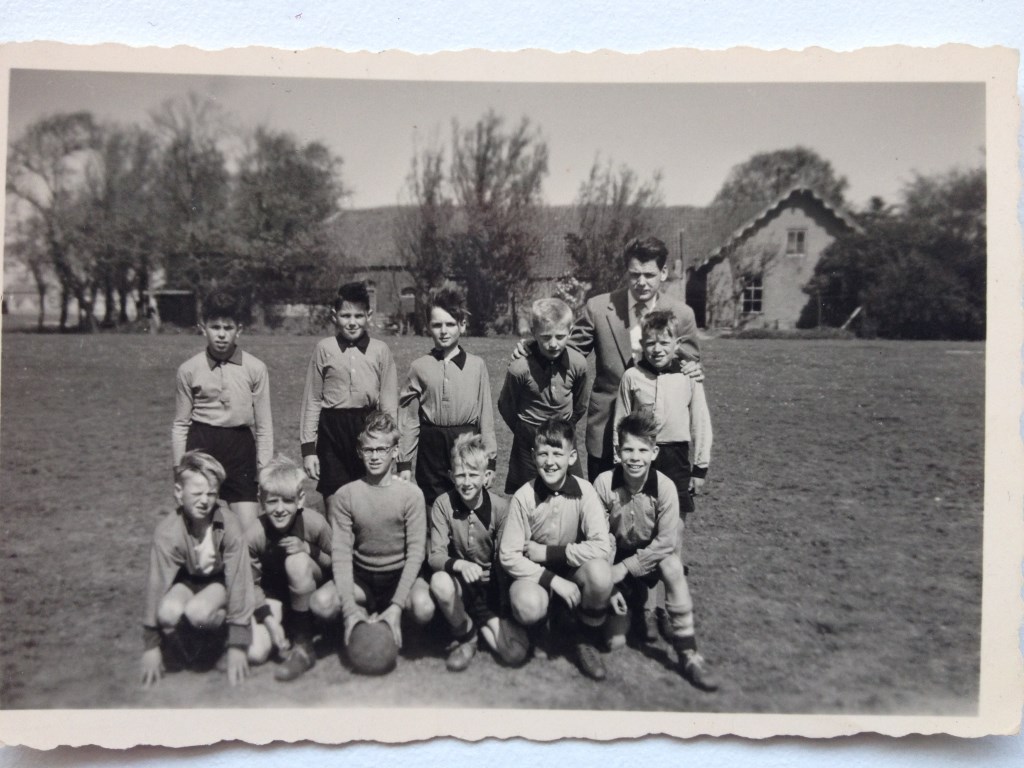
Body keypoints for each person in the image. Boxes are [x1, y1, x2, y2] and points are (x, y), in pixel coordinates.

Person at [594, 413, 719, 692]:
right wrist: (609, 584)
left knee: (673, 567)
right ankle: (629, 607)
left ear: (654, 453)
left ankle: (688, 651)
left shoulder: (666, 487)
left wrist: (626, 568)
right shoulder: (603, 483)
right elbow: (598, 539)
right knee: (615, 642)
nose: (635, 458)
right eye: (628, 450)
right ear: (618, 451)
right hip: (614, 559)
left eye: (642, 450)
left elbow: (665, 543)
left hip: (650, 558)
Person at [563, 236, 702, 481]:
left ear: (663, 272)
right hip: (606, 430)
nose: (641, 282)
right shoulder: (598, 308)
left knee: (658, 501)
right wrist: (531, 349)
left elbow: (690, 364)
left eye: (649, 275)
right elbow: (567, 354)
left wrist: (694, 368)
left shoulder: (682, 314)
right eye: (634, 274)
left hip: (661, 438)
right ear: (626, 271)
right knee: (604, 499)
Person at [498, 419, 614, 680]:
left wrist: (550, 553)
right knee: (528, 605)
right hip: (536, 578)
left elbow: (601, 546)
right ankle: (542, 626)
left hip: (574, 573)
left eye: (557, 454)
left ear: (571, 457)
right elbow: (508, 555)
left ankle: (585, 638)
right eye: (543, 454)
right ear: (533, 456)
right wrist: (552, 580)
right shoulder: (524, 496)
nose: (549, 462)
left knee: (600, 574)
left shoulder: (585, 491)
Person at [140, 451, 261, 687]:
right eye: (196, 493)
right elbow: (157, 582)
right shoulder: (167, 531)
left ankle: (222, 634)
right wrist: (151, 645)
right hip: (190, 580)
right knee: (167, 613)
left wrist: (238, 642)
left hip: (221, 582)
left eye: (211, 494)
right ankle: (196, 640)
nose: (204, 500)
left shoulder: (229, 524)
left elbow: (238, 579)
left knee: (199, 613)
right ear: (179, 492)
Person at [330, 412, 435, 665]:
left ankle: (401, 624)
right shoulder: (346, 495)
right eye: (368, 450)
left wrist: (397, 605)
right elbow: (341, 554)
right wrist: (349, 609)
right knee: (322, 603)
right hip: (363, 578)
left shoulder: (411, 495)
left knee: (423, 606)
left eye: (381, 449)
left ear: (395, 451)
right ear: (359, 452)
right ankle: (357, 619)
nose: (375, 456)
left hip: (399, 575)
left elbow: (416, 553)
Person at [172, 289, 272, 531]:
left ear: (239, 329)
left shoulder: (256, 368)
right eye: (215, 327)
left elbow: (264, 426)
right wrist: (179, 468)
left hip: (240, 448)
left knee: (249, 531)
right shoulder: (188, 369)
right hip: (202, 445)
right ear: (203, 327)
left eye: (228, 328)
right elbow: (180, 424)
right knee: (201, 529)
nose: (221, 334)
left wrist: (264, 468)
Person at [427, 433, 529, 671]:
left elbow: (506, 559)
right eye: (460, 475)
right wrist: (461, 565)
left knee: (514, 654)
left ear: (486, 476)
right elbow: (435, 556)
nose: (466, 482)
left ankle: (484, 624)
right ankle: (468, 634)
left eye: (473, 475)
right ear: (451, 476)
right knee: (440, 582)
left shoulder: (501, 508)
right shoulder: (442, 504)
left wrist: (503, 610)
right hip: (460, 584)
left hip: (491, 588)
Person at [398, 288, 497, 508]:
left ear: (462, 325)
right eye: (437, 325)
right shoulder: (419, 367)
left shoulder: (477, 366)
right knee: (432, 507)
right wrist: (404, 463)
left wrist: (490, 460)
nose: (444, 331)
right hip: (431, 449)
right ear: (428, 327)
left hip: (466, 443)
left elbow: (486, 417)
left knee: (466, 505)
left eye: (450, 324)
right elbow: (410, 420)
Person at [300, 282, 398, 504]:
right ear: (334, 316)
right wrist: (308, 449)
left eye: (358, 316)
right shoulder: (324, 348)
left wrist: (391, 442)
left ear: (368, 315)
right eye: (345, 316)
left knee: (369, 499)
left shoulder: (380, 350)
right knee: (335, 499)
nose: (352, 322)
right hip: (331, 431)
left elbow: (389, 403)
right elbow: (312, 400)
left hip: (369, 428)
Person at [248, 455, 340, 682]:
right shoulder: (254, 534)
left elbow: (339, 562)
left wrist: (310, 549)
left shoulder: (314, 523)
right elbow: (250, 583)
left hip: (312, 588)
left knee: (296, 561)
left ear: (300, 500)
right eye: (272, 501)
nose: (280, 509)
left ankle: (303, 645)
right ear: (261, 501)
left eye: (287, 501)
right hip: (276, 596)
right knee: (256, 652)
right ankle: (287, 626)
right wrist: (269, 621)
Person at [612, 309, 712, 519]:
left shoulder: (688, 376)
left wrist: (700, 468)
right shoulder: (632, 376)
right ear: (641, 344)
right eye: (650, 343)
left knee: (674, 520)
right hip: (641, 456)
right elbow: (620, 421)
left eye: (665, 343)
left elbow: (701, 424)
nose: (657, 349)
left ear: (677, 343)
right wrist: (619, 460)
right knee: (640, 518)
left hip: (676, 458)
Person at [498, 297, 590, 494]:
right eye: (546, 337)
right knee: (527, 494)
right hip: (529, 436)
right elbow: (506, 405)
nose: (553, 344)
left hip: (563, 432)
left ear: (570, 332)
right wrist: (524, 429)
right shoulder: (519, 368)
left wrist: (566, 425)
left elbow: (580, 403)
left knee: (572, 492)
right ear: (534, 333)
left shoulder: (578, 363)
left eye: (560, 336)